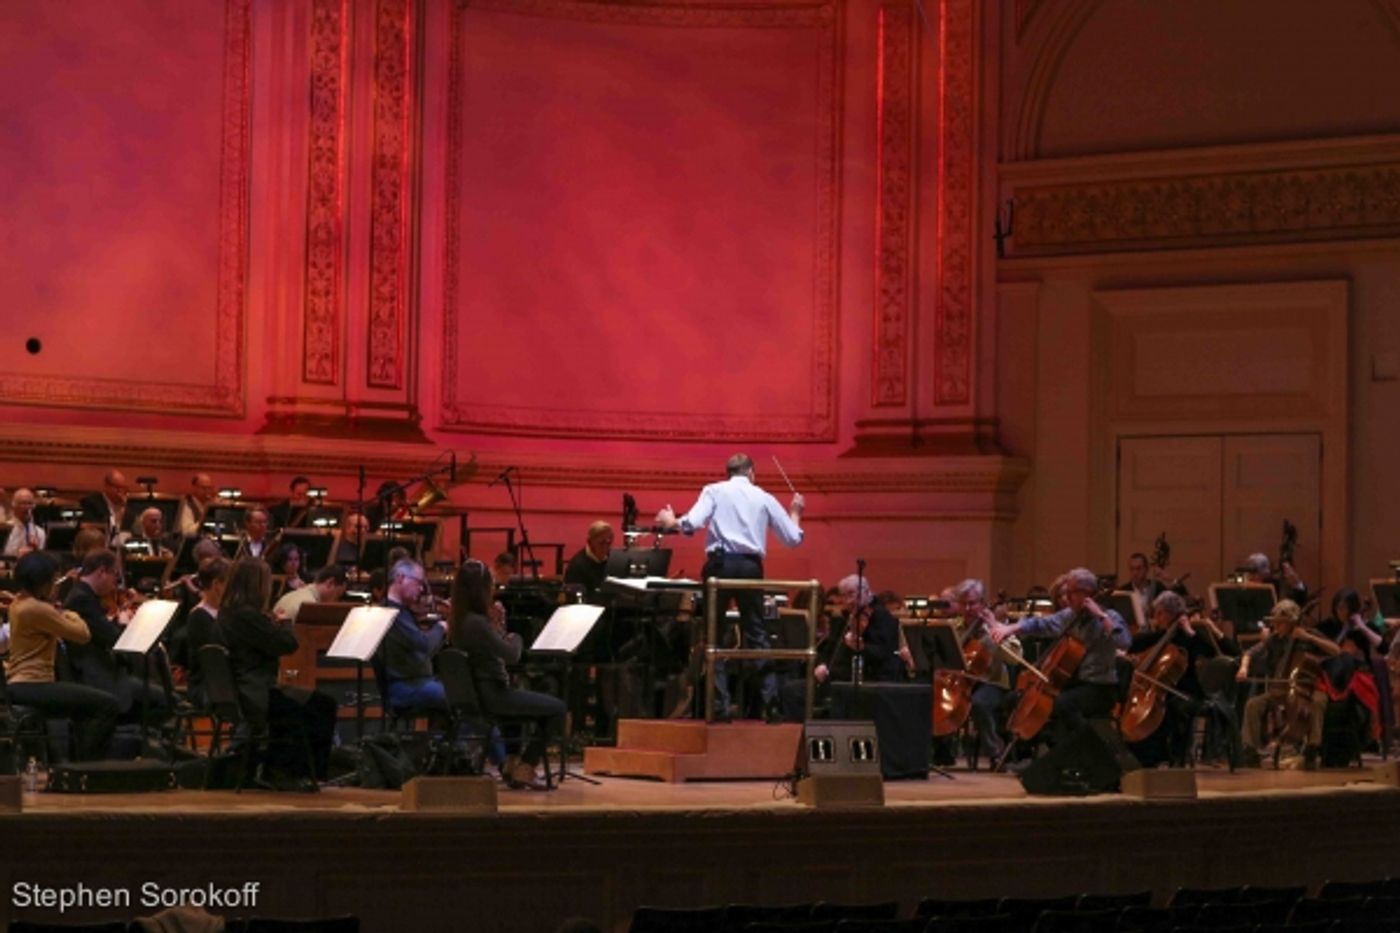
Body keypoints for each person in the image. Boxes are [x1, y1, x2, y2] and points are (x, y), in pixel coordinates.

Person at [655, 453, 805, 720]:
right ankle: (770, 704)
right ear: (751, 473)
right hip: (750, 567)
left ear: (728, 473)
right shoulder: (764, 496)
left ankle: (719, 708)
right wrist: (795, 512)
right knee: (757, 635)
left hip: (720, 567)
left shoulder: (714, 490)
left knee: (714, 635)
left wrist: (670, 522)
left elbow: (692, 522)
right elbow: (793, 539)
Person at [449, 559, 565, 789]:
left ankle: (512, 764)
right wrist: (514, 635)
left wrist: (495, 629)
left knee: (520, 700)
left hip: (479, 696)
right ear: (480, 589)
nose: (493, 589)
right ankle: (527, 767)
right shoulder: (477, 623)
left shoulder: (458, 621)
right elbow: (512, 655)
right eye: (489, 585)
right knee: (558, 709)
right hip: (493, 696)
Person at [221, 558, 336, 785]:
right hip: (256, 692)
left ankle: (281, 769)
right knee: (323, 704)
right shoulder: (248, 616)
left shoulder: (227, 613)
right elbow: (287, 644)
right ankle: (293, 772)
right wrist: (283, 622)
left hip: (244, 687)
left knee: (305, 700)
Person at [988, 567, 1131, 747]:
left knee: (1064, 704)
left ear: (1087, 594)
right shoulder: (1069, 615)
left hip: (1100, 687)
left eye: (1072, 592)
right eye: (1067, 591)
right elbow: (1041, 624)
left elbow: (1124, 641)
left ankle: (1094, 750)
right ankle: (1062, 754)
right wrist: (1011, 628)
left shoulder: (1110, 616)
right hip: (1075, 684)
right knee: (1035, 702)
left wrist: (1101, 617)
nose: (1068, 597)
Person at [3, 551, 120, 760]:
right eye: (54, 580)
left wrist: (55, 611)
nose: (56, 585)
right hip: (33, 684)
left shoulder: (18, 603)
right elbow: (82, 634)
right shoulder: (37, 609)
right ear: (43, 582)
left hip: (21, 684)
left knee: (87, 705)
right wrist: (67, 612)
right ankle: (87, 767)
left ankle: (76, 762)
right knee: (107, 704)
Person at [62, 549, 170, 721]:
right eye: (115, 575)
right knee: (166, 701)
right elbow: (114, 639)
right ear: (102, 571)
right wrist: (125, 623)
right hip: (99, 678)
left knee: (163, 695)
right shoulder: (81, 599)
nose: (116, 583)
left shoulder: (84, 595)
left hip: (106, 672)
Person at [780, 573, 904, 722]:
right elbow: (828, 648)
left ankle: (807, 735)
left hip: (859, 680)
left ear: (866, 591)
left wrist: (861, 648)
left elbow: (884, 654)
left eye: (852, 594)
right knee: (789, 688)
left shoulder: (881, 617)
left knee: (792, 692)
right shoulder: (846, 617)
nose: (848, 601)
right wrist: (821, 664)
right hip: (835, 676)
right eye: (845, 596)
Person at [1122, 591, 1222, 768]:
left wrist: (1190, 632)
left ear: (1170, 613)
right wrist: (1164, 633)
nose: (1156, 617)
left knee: (1172, 710)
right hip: (1161, 691)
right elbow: (1133, 644)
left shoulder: (1188, 636)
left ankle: (1168, 755)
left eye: (1159, 613)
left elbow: (1210, 652)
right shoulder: (1160, 635)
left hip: (1185, 691)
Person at [1236, 599, 1337, 769]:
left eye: (1280, 623)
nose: (1276, 627)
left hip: (1308, 688)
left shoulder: (1309, 634)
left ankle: (1312, 748)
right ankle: (1250, 750)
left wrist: (1309, 638)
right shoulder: (1275, 639)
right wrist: (1243, 668)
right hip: (1282, 688)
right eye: (1275, 623)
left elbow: (1336, 650)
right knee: (1253, 705)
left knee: (1317, 703)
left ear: (1292, 623)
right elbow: (1250, 652)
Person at [948, 578, 1018, 762]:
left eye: (972, 603)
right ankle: (941, 751)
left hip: (992, 682)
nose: (968, 609)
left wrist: (993, 630)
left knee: (979, 703)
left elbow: (1014, 657)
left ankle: (996, 751)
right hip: (963, 681)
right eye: (964, 604)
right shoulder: (955, 627)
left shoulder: (996, 626)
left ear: (983, 603)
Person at [380, 558, 449, 715]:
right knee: (461, 698)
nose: (421, 589)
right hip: (404, 687)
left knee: (461, 693)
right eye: (418, 582)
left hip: (414, 681)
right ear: (400, 578)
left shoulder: (400, 610)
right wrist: (441, 627)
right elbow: (424, 645)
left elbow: (426, 650)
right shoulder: (391, 612)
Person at [182, 557, 231, 705]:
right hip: (206, 687)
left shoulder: (225, 611)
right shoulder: (199, 617)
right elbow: (221, 654)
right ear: (217, 585)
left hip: (223, 682)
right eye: (230, 584)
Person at [274, 564, 348, 623]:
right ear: (330, 583)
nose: (335, 601)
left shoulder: (288, 596)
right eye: (337, 594)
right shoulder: (310, 607)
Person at [563, 521, 613, 598]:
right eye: (602, 543)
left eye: (609, 543)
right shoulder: (577, 566)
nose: (606, 547)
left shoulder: (612, 559)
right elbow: (573, 598)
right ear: (590, 542)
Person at [80, 470, 131, 544]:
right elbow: (90, 528)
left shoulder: (126, 505)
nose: (120, 492)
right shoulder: (92, 502)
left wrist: (123, 508)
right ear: (106, 486)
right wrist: (115, 518)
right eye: (117, 488)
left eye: (123, 488)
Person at [3, 488, 46, 557]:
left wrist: (36, 551)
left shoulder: (39, 532)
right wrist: (17, 553)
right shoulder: (5, 529)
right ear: (14, 505)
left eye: (30, 503)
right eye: (23, 503)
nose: (27, 507)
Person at [176, 473, 217, 537]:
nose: (207, 491)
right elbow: (187, 532)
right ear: (194, 487)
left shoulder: (212, 504)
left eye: (209, 488)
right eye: (204, 488)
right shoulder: (186, 505)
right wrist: (203, 519)